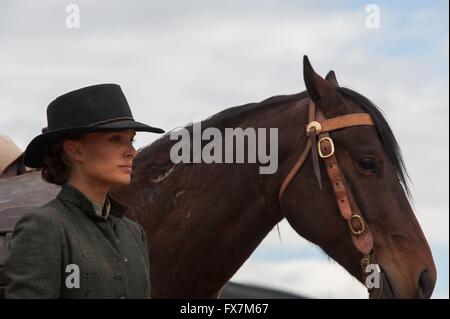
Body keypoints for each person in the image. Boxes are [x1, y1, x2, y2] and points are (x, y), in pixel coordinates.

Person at [3, 84, 164, 298]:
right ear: (75, 150)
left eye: (131, 140)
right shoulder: (42, 227)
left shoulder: (134, 234)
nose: (132, 152)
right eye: (116, 139)